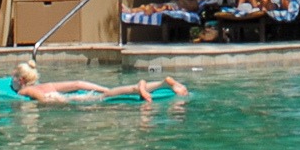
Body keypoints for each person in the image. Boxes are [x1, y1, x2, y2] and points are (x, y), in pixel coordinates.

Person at [10, 59, 189, 103]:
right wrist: (103, 88)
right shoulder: (47, 84)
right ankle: (162, 83)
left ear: (21, 80)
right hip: (84, 91)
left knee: (107, 97)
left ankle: (139, 86)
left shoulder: (23, 91)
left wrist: (63, 102)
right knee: (109, 92)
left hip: (74, 100)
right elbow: (78, 83)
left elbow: (41, 97)